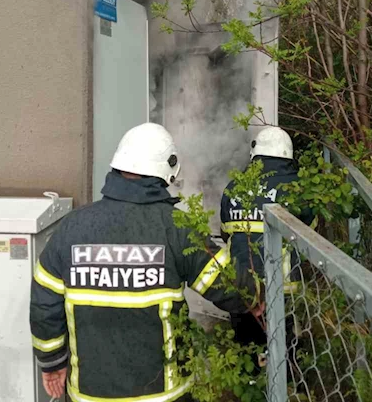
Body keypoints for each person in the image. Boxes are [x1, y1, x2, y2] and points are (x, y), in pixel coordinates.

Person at [30, 123, 258, 402]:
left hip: (90, 394)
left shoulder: (71, 228)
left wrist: (53, 363)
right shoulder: (178, 229)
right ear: (167, 172)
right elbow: (234, 289)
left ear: (117, 167)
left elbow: (44, 305)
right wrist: (260, 292)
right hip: (163, 395)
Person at [220, 126, 315, 351]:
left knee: (247, 347)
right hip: (283, 288)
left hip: (241, 285)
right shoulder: (298, 189)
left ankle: (251, 378)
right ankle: (287, 382)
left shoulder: (234, 188)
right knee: (284, 348)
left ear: (255, 154)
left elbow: (225, 232)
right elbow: (310, 233)